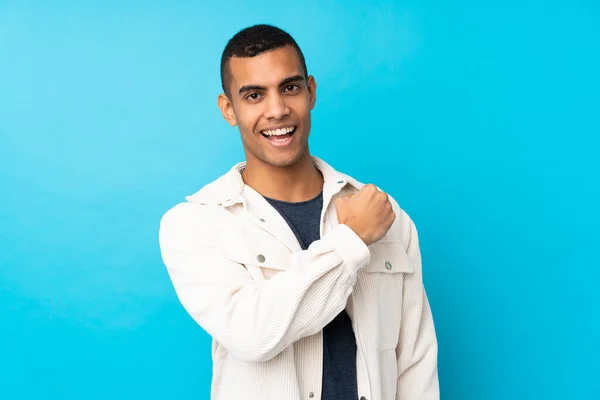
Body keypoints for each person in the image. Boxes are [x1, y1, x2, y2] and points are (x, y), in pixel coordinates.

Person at [159, 24, 439, 400]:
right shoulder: (197, 224)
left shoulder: (384, 215)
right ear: (229, 109)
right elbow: (253, 334)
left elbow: (415, 363)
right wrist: (350, 242)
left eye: (289, 88)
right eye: (254, 95)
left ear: (311, 91)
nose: (276, 110)